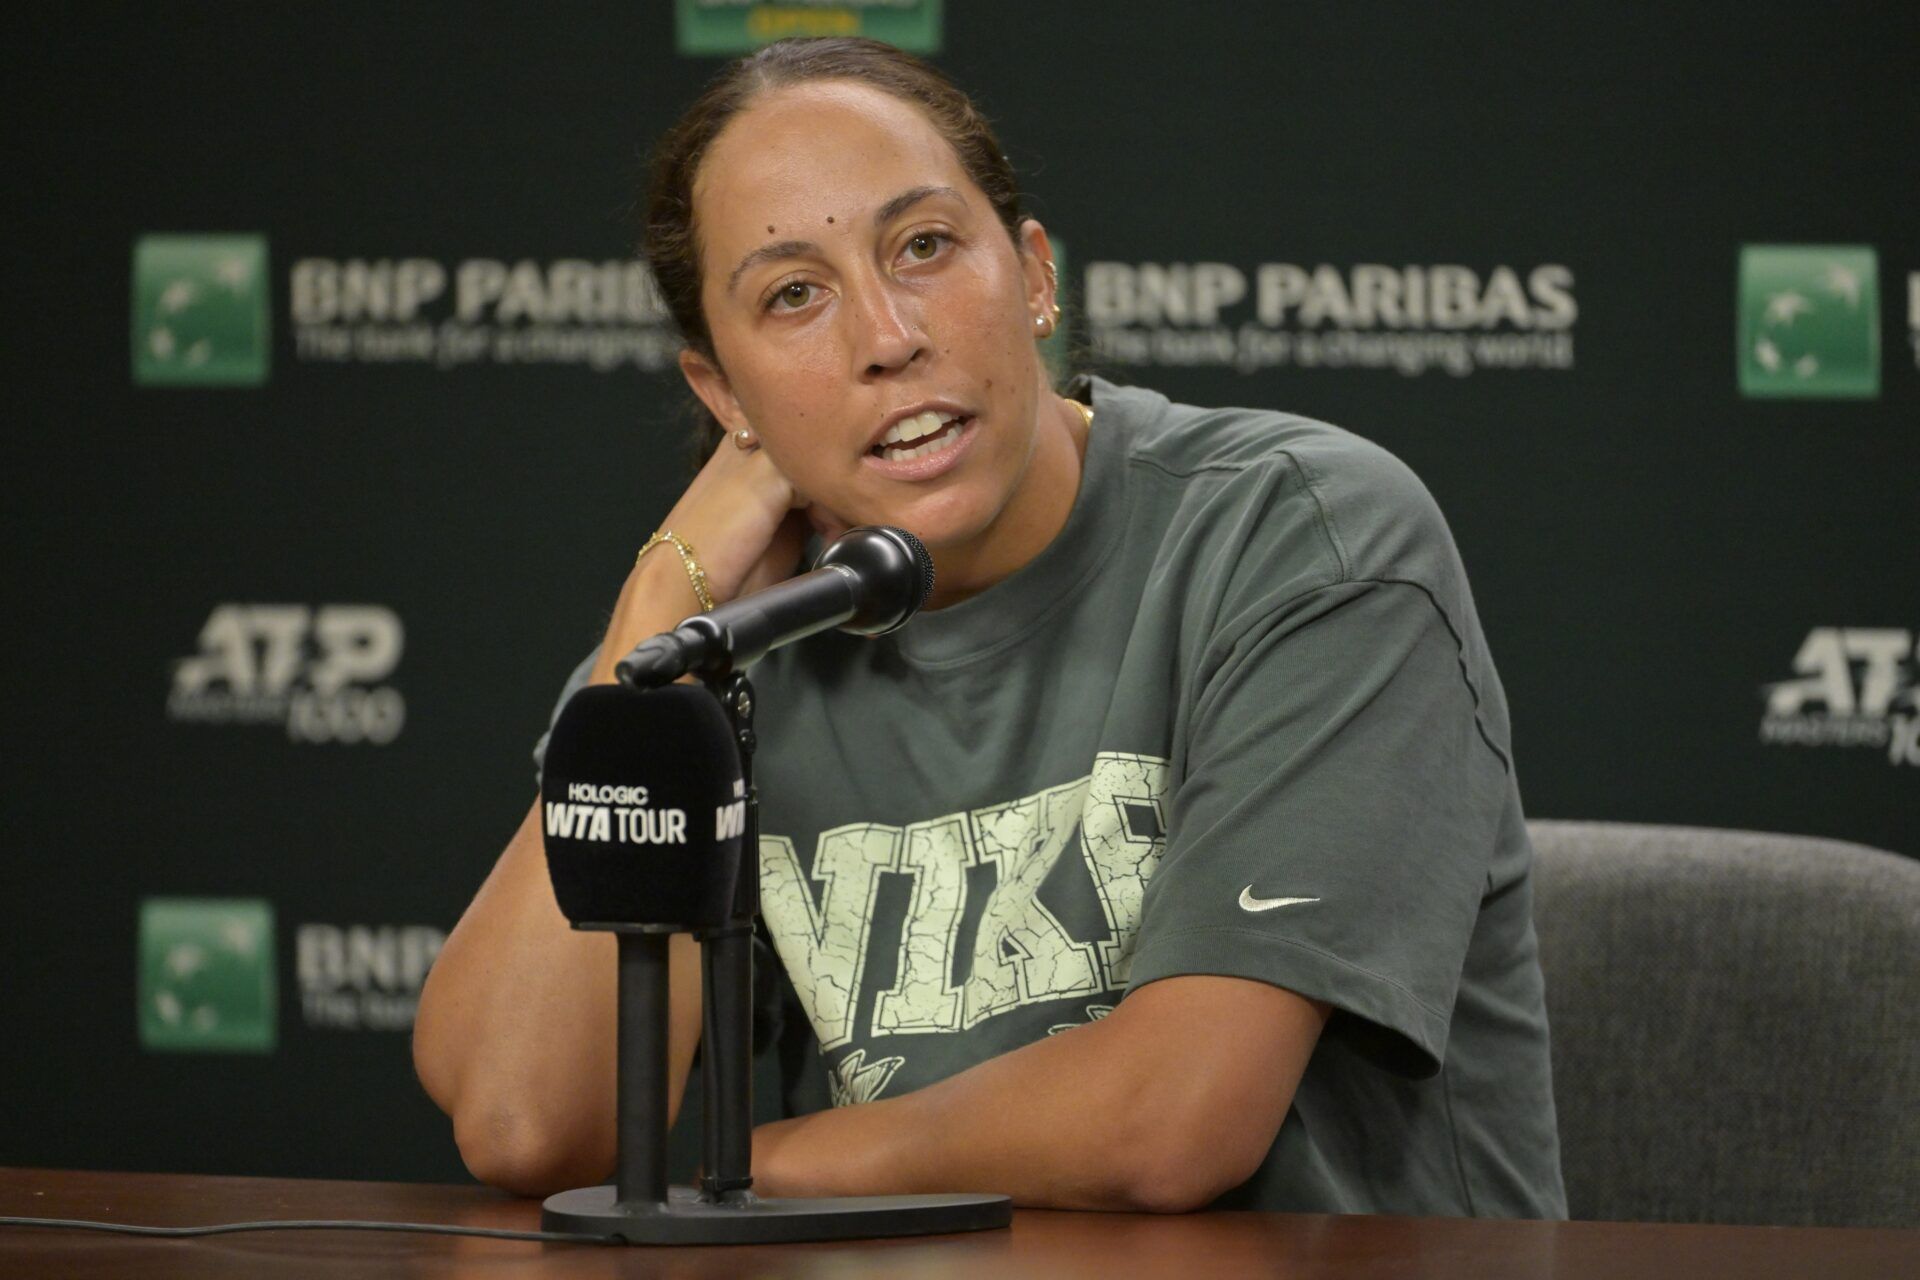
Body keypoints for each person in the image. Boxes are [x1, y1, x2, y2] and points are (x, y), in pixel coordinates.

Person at [413, 36, 1566, 1218]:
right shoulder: (726, 641)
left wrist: (734, 1175)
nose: (885, 335)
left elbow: (1173, 1117)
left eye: (923, 247)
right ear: (723, 395)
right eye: (792, 295)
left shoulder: (1302, 537)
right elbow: (528, 1118)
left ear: (1032, 276)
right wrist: (656, 614)